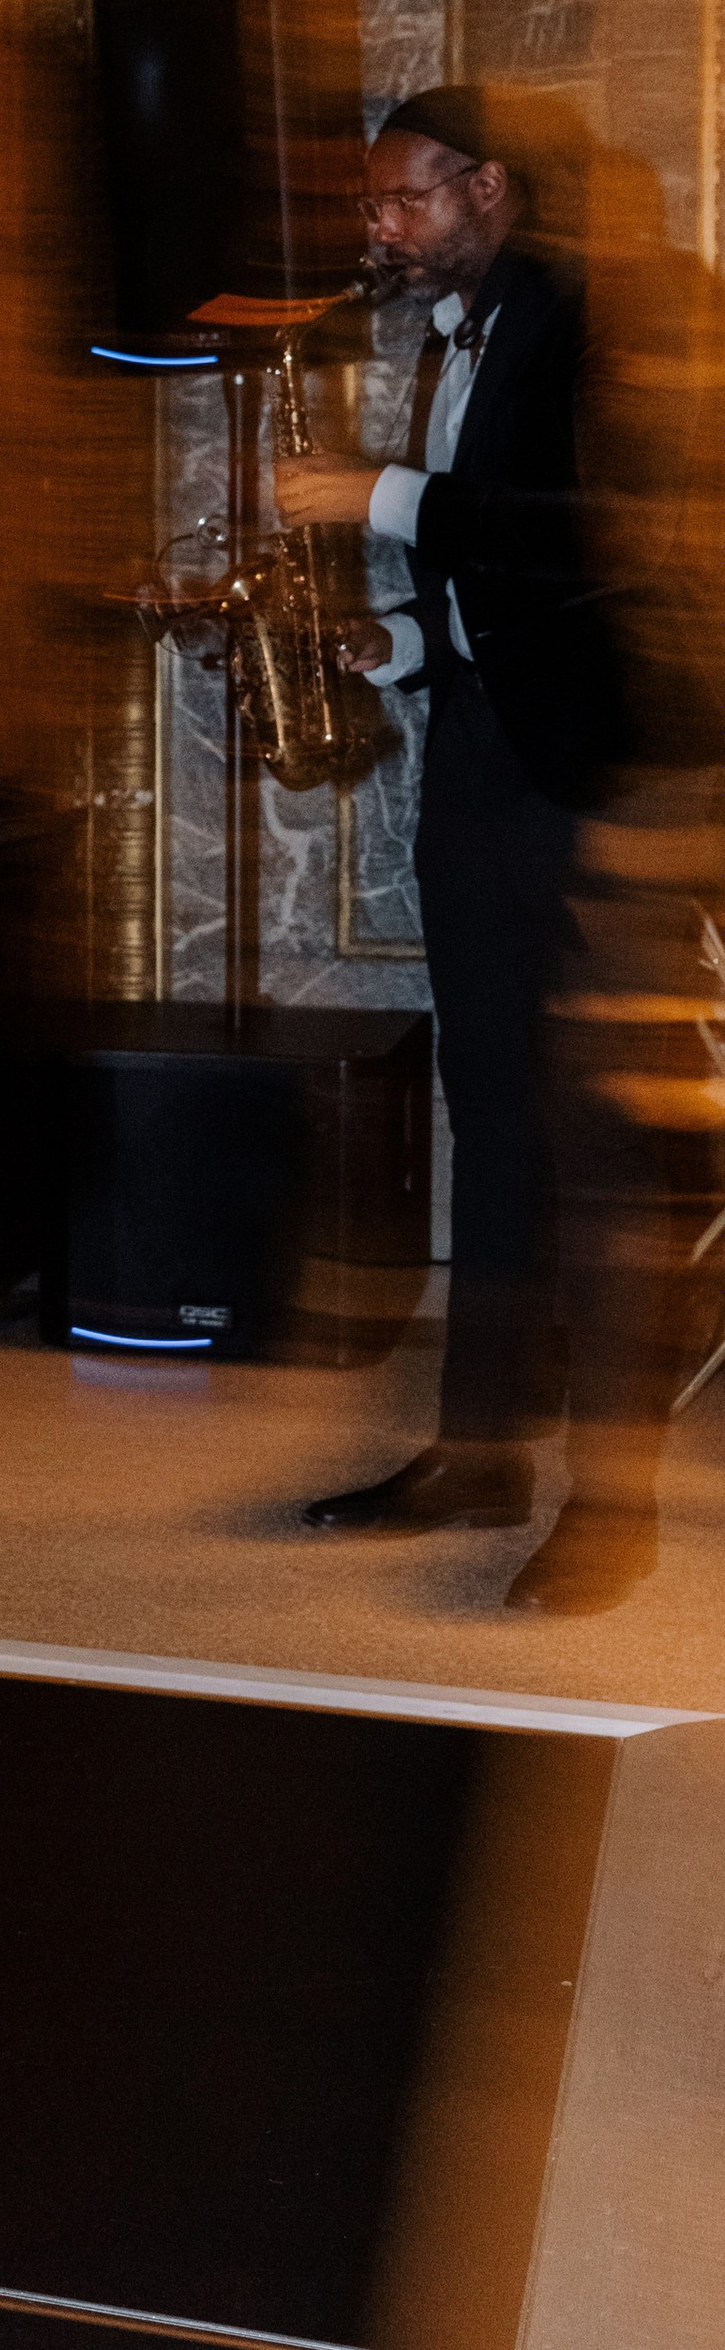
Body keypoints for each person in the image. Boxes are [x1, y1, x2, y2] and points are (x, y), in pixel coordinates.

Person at [277, 86, 669, 1610]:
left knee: (603, 1149)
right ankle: (480, 1447)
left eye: (404, 200)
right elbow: (496, 593)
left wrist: (364, 493)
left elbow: (567, 537)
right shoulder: (448, 340)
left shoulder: (583, 315)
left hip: (594, 785)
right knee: (492, 1119)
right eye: (376, 205)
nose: (381, 226)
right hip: (483, 771)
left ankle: (615, 1498)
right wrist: (394, 650)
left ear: (488, 188)